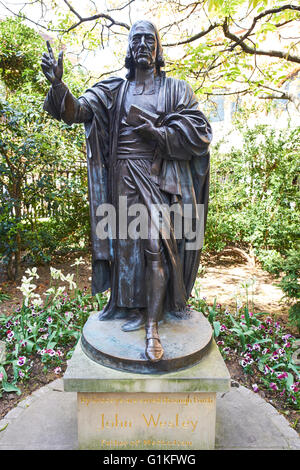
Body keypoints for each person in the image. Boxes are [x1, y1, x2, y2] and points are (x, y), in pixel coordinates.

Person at [41, 20, 212, 363]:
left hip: (158, 177)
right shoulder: (114, 90)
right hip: (121, 178)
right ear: (129, 47)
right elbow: (76, 111)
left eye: (150, 39)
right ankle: (133, 308)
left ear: (158, 48)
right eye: (137, 39)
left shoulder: (176, 89)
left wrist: (159, 133)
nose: (143, 44)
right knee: (126, 250)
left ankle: (152, 326)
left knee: (154, 245)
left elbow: (200, 130)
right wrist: (58, 84)